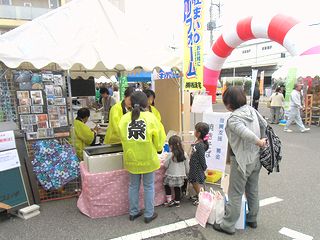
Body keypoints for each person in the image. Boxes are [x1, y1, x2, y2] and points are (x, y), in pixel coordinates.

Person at [213, 86, 267, 235]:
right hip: (256, 158)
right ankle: (252, 218)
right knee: (253, 189)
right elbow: (264, 125)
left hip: (242, 160)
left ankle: (228, 225)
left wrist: (259, 141)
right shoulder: (251, 110)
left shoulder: (234, 118)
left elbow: (245, 133)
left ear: (229, 103)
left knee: (235, 193)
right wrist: (262, 140)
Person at [119, 91, 166, 223]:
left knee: (133, 186)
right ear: (146, 103)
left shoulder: (124, 119)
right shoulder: (151, 118)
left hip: (131, 159)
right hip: (148, 159)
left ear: (131, 103)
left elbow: (122, 137)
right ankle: (148, 214)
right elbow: (159, 138)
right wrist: (158, 148)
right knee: (148, 186)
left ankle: (133, 212)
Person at [163, 135, 189, 208]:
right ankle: (177, 201)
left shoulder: (170, 155)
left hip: (170, 174)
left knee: (166, 185)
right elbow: (187, 166)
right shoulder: (184, 154)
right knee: (177, 187)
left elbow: (165, 165)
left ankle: (169, 201)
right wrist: (187, 173)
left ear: (171, 145)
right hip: (180, 175)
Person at [188, 122, 209, 206]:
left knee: (196, 183)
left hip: (197, 166)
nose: (194, 131)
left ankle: (202, 198)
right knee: (194, 181)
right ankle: (199, 196)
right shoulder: (198, 141)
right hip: (193, 165)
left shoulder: (200, 145)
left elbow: (201, 157)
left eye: (195, 130)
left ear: (199, 133)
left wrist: (204, 167)